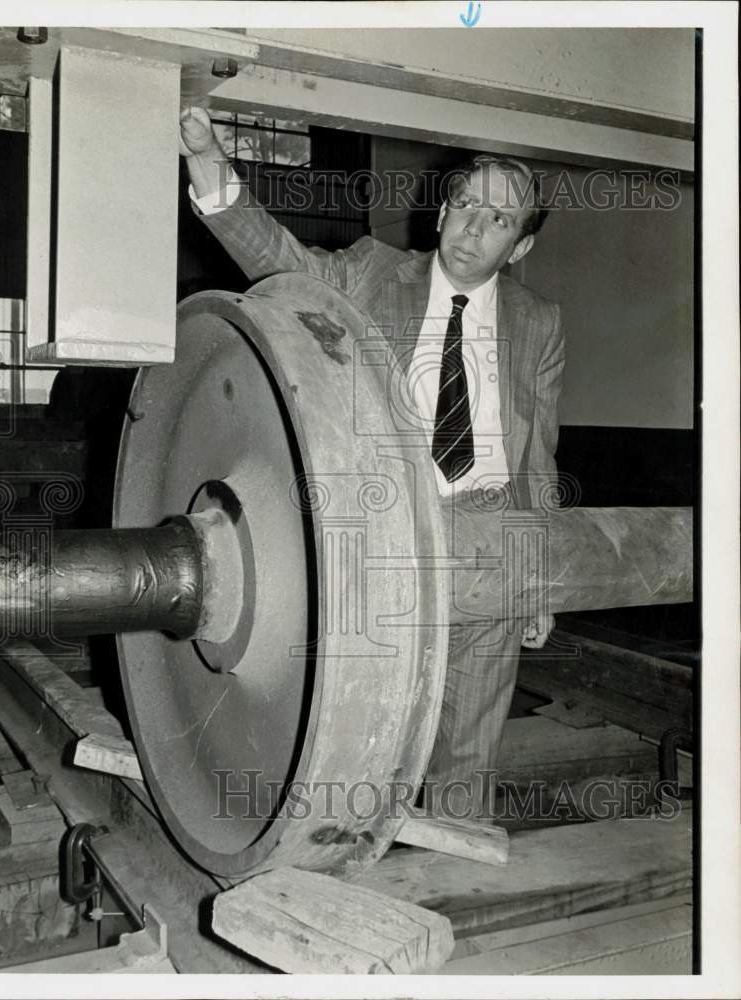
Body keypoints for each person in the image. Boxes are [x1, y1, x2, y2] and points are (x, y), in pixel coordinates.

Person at [179, 107, 564, 819]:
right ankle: (337, 865)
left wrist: (536, 570)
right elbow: (281, 265)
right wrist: (209, 164)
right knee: (361, 730)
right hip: (386, 531)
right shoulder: (370, 271)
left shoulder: (538, 321)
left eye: (500, 220)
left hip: (490, 539)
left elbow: (537, 454)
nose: (474, 226)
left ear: (519, 247)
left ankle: (451, 871)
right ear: (442, 209)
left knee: (469, 750)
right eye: (466, 203)